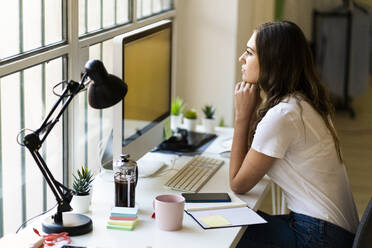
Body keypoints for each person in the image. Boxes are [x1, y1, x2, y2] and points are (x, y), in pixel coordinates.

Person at [230, 21, 359, 248]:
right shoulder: (301, 102)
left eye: (249, 53)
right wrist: (250, 114)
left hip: (321, 237)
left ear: (273, 62)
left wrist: (241, 116)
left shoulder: (283, 115)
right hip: (334, 232)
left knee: (225, 228)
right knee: (232, 219)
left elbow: (238, 184)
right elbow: (254, 156)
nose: (242, 58)